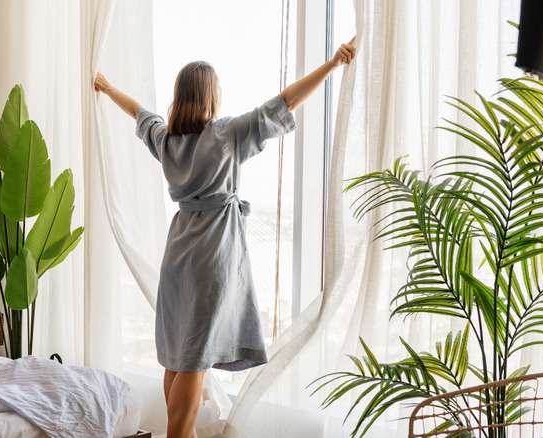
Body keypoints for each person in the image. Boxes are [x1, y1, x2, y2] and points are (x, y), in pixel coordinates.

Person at [95, 37, 356, 438]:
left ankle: (185, 433)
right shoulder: (225, 134)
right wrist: (333, 64)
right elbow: (286, 101)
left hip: (177, 255)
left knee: (178, 356)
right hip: (211, 257)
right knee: (194, 358)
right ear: (209, 99)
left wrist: (108, 87)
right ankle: (178, 434)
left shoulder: (166, 141)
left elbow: (138, 112)